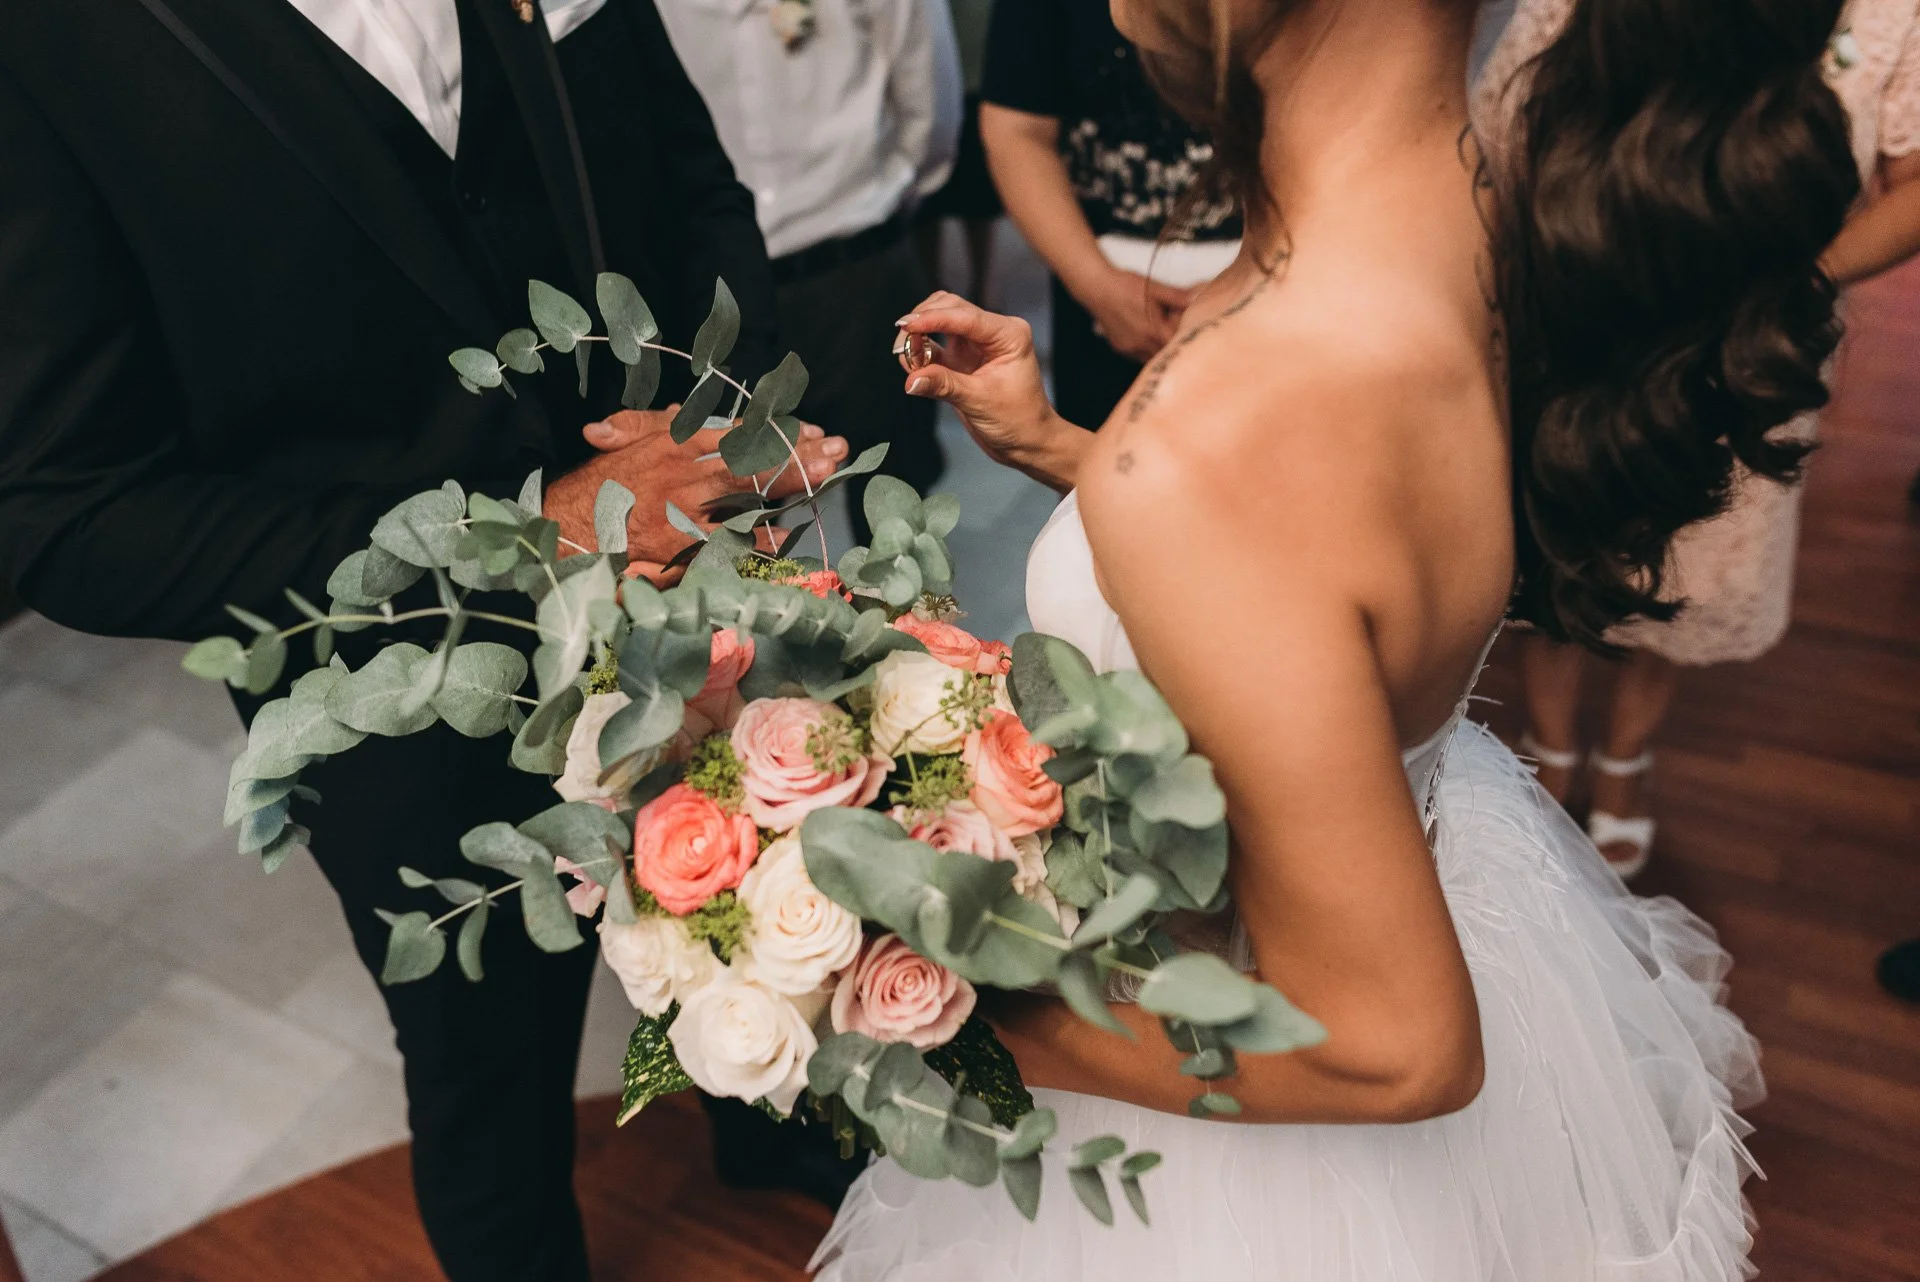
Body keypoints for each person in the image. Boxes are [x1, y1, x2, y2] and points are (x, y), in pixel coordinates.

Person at [816, 0, 1856, 1277]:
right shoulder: (1472, 208)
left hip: (1244, 1105)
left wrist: (970, 1025)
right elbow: (1324, 557)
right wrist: (1075, 459)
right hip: (1435, 855)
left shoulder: (1234, 428)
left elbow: (1394, 1043)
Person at [0, 2, 847, 1278]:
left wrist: (737, 432)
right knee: (487, 1066)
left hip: (698, 595)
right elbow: (63, 510)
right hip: (401, 689)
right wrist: (529, 532)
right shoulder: (46, 41)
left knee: (757, 914)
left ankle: (772, 1133)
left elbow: (687, 184)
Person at [1482, 0, 1920, 879]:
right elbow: (1504, 132)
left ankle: (1624, 761)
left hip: (1759, 351)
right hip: (1590, 322)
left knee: (1700, 565)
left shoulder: (1892, 12)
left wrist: (1793, 282)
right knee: (1570, 553)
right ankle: (1552, 752)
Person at [655, 0, 962, 542]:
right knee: (735, 531)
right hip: (715, 293)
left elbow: (931, 112)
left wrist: (876, 202)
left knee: (897, 532)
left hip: (857, 276)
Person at [978, 0, 1241, 431]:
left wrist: (1263, 279)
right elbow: (1015, 129)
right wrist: (1097, 285)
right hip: (1105, 296)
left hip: (1284, 280)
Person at [915, 0, 1004, 306]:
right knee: (925, 201)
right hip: (927, 77)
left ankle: (983, 284)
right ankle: (931, 284)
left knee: (978, 196)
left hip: (977, 70)